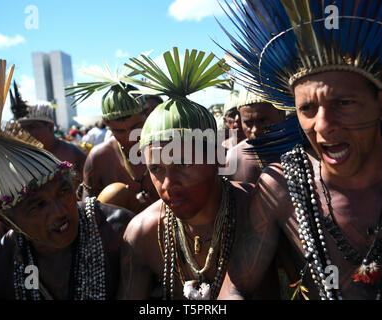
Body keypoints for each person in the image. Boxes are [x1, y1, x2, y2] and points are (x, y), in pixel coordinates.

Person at [218, 0, 382, 299]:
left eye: (343, 103)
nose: (323, 125)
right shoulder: (282, 185)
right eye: (307, 109)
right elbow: (237, 287)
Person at [0, 60, 133, 300]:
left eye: (63, 191)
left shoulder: (115, 230)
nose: (59, 211)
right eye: (38, 205)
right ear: (8, 219)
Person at [117, 48, 281, 300]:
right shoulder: (142, 233)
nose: (168, 185)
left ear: (216, 157)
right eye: (156, 169)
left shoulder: (258, 210)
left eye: (182, 163)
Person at [68, 65, 159, 213]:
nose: (130, 137)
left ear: (147, 114)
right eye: (119, 131)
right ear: (106, 123)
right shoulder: (100, 158)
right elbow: (87, 215)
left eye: (137, 126)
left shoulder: (167, 146)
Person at [10, 85, 87, 188]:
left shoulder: (74, 154)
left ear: (50, 127)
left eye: (32, 126)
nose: (27, 133)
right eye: (23, 129)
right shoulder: (18, 158)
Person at [225, 89, 286, 183]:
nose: (255, 130)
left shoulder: (303, 147)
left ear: (282, 114)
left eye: (262, 121)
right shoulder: (234, 159)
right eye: (248, 123)